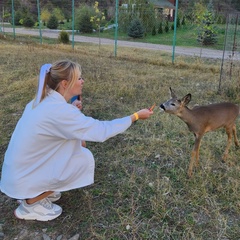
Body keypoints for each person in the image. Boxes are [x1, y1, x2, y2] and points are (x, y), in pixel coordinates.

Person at [0, 59, 153, 222]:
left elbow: (56, 123)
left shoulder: (43, 100)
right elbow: (101, 131)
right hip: (23, 175)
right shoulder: (59, 111)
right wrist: (135, 116)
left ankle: (37, 191)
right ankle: (30, 204)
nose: (83, 81)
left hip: (19, 171)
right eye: (79, 78)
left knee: (78, 146)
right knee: (82, 160)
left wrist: (72, 109)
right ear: (65, 84)